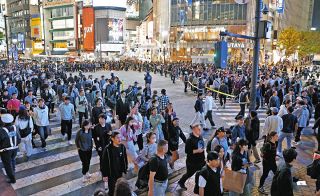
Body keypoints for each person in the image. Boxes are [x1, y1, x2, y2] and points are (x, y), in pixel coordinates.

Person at [178, 124, 206, 190]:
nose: (200, 130)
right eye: (198, 129)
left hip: (201, 160)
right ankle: (181, 182)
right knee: (189, 174)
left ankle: (201, 186)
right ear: (193, 130)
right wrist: (197, 151)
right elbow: (187, 151)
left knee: (202, 173)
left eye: (200, 129)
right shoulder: (189, 140)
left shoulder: (200, 136)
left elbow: (201, 146)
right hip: (192, 162)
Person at [102, 131, 128, 196]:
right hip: (111, 173)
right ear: (112, 139)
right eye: (117, 138)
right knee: (112, 189)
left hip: (120, 172)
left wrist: (125, 168)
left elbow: (125, 159)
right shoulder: (108, 149)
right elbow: (104, 163)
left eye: (120, 137)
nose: (120, 139)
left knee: (120, 188)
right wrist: (104, 175)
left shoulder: (122, 147)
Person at [0, 113, 21, 183]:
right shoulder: (15, 127)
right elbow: (19, 139)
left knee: (7, 165)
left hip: (5, 151)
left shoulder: (2, 130)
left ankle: (12, 179)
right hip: (15, 149)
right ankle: (13, 171)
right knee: (12, 160)